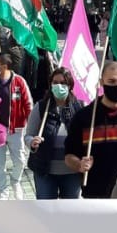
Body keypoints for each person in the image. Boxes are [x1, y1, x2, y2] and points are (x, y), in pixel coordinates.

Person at [64, 61, 117, 199]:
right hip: (95, 194)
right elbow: (68, 155)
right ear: (101, 82)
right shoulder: (84, 117)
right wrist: (79, 164)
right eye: (111, 81)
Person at [26, 67, 83, 199]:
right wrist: (32, 142)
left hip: (72, 172)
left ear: (70, 85)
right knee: (46, 212)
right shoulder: (41, 107)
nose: (59, 86)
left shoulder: (79, 108)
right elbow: (28, 135)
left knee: (69, 212)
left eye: (63, 83)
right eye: (55, 82)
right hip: (45, 170)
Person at [0, 49, 33, 199]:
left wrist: (31, 126)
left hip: (16, 129)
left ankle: (16, 181)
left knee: (20, 160)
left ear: (5, 66)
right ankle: (3, 190)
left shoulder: (19, 81)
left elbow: (28, 105)